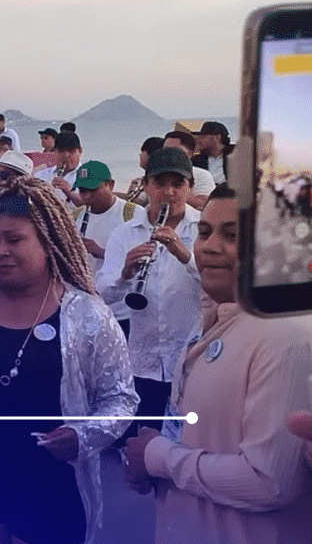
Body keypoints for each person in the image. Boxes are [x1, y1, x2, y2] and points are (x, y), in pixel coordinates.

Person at [0, 176, 138, 544]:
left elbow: (120, 398)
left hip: (53, 481)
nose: (0, 251)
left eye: (15, 239)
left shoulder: (87, 315)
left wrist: (84, 435)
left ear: (48, 242)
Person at [124, 186, 312, 543]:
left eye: (232, 235)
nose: (209, 247)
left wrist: (160, 457)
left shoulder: (287, 335)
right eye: (205, 232)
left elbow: (271, 482)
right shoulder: (217, 314)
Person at [97, 147, 202, 436]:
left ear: (189, 187)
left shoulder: (205, 229)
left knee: (188, 444)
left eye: (178, 184)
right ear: (146, 186)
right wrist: (126, 272)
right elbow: (103, 294)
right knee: (145, 441)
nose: (169, 192)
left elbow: (222, 288)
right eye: (160, 183)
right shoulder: (125, 233)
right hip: (143, 362)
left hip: (193, 360)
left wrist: (185, 255)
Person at [71, 161, 143, 335]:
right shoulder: (74, 216)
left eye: (92, 190)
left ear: (110, 185)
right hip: (87, 304)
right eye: (82, 191)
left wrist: (102, 252)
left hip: (122, 310)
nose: (86, 197)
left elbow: (143, 258)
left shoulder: (132, 213)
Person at [162, 131, 215, 210]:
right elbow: (140, 202)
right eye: (165, 150)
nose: (169, 153)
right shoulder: (156, 173)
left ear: (189, 153)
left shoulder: (202, 175)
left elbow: (205, 204)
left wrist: (177, 193)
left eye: (175, 150)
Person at [33, 132, 83, 207]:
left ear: (80, 151)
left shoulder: (89, 176)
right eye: (61, 151)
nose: (66, 155)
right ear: (55, 152)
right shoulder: (40, 175)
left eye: (71, 151)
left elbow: (87, 206)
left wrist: (68, 191)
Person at [125, 137, 165, 205]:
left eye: (142, 151)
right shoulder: (140, 180)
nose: (140, 155)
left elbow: (140, 204)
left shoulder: (158, 181)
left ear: (151, 154)